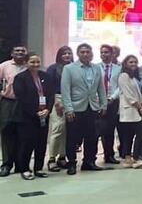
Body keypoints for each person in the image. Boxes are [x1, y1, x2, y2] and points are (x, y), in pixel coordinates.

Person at [61, 43, 107, 174]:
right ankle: (71, 164)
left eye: (88, 52)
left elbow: (101, 88)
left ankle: (89, 162)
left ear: (91, 53)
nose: (85, 54)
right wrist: (68, 109)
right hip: (75, 108)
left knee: (91, 136)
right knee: (72, 138)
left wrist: (103, 104)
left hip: (92, 107)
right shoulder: (69, 69)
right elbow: (65, 90)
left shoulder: (97, 68)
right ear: (78, 54)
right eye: (82, 52)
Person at [12, 53, 53, 180]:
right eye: (32, 62)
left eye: (37, 62)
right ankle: (24, 168)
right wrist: (35, 111)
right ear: (26, 63)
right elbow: (22, 98)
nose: (35, 65)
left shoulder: (45, 76)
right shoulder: (20, 78)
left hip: (44, 116)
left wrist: (47, 110)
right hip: (27, 117)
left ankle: (38, 168)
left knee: (41, 143)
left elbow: (51, 95)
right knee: (27, 143)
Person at [0, 44, 28, 177]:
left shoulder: (29, 66)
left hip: (24, 104)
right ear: (12, 53)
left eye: (23, 51)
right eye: (17, 50)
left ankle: (20, 164)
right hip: (8, 102)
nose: (20, 52)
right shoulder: (4, 66)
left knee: (22, 134)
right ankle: (6, 164)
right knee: (6, 132)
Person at [116, 55, 142, 168]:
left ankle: (131, 158)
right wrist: (139, 106)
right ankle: (132, 157)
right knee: (132, 134)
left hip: (138, 109)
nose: (133, 64)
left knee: (136, 134)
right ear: (125, 64)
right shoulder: (123, 76)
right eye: (131, 62)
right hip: (129, 110)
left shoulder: (136, 78)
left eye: (135, 62)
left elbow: (141, 92)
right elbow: (129, 95)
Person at [45, 46, 72, 172]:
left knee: (67, 131)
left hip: (72, 100)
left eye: (69, 53)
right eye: (64, 53)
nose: (67, 55)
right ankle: (51, 158)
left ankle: (62, 157)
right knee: (57, 129)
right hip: (57, 99)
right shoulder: (53, 68)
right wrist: (55, 103)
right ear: (59, 55)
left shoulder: (73, 67)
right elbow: (49, 87)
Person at [97, 44, 121, 165]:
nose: (104, 55)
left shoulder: (118, 68)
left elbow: (120, 85)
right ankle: (94, 155)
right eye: (102, 52)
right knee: (100, 129)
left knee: (110, 130)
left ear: (112, 54)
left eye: (106, 52)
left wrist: (112, 97)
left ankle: (109, 155)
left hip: (113, 101)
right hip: (98, 102)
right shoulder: (95, 67)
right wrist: (100, 99)